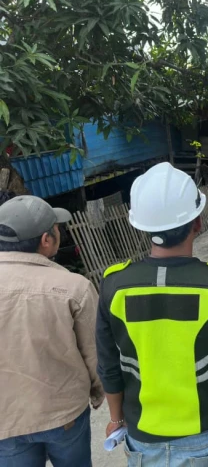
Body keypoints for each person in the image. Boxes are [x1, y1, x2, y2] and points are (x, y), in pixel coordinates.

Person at [96, 162, 208, 466]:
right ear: (197, 222)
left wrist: (116, 419)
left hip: (143, 436)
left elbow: (109, 365)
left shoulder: (113, 285)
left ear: (143, 227)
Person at [0, 195, 104, 466]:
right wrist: (99, 392)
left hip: (5, 421)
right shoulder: (74, 287)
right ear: (46, 240)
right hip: (63, 412)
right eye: (57, 228)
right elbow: (95, 352)